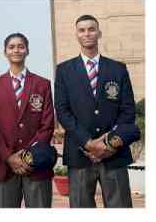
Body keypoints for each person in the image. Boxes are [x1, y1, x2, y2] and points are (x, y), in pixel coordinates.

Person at [54, 14, 141, 208]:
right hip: (80, 155)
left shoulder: (118, 69)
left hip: (114, 155)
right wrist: (89, 143)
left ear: (99, 33)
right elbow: (62, 111)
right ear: (76, 35)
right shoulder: (64, 70)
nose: (87, 34)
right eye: (82, 30)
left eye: (91, 29)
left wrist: (109, 144)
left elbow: (128, 111)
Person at [0, 33, 56, 208]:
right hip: (5, 166)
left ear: (27, 51)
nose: (16, 50)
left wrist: (27, 156)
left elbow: (47, 125)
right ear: (5, 52)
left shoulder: (42, 84)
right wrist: (9, 157)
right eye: (11, 47)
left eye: (20, 46)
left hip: (36, 166)